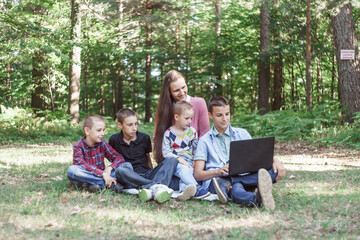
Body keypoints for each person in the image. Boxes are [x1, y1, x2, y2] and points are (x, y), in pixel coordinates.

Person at [194, 97, 286, 209]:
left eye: (227, 114)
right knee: (235, 189)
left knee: (272, 171)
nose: (224, 119)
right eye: (219, 115)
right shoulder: (204, 140)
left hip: (240, 177)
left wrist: (275, 160)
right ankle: (257, 197)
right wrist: (217, 171)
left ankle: (231, 183)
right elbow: (197, 175)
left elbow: (258, 156)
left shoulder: (242, 133)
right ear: (210, 115)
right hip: (217, 180)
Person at [109, 108, 177, 204]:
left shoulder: (144, 138)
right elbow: (112, 160)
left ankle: (150, 187)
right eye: (130, 125)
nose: (134, 128)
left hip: (147, 174)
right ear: (120, 125)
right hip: (130, 177)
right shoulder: (114, 140)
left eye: (136, 124)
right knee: (121, 170)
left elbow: (147, 158)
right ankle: (156, 187)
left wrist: (152, 171)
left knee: (172, 160)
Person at [153, 70, 210, 164]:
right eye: (176, 90)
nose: (182, 92)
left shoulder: (199, 103)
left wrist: (198, 161)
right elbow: (158, 138)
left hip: (196, 160)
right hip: (172, 162)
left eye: (183, 87)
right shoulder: (164, 110)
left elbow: (204, 136)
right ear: (169, 92)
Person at [162, 101, 210, 201]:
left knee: (187, 171)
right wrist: (179, 159)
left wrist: (196, 160)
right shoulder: (169, 133)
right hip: (175, 162)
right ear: (176, 117)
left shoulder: (192, 132)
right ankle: (197, 189)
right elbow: (166, 152)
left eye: (191, 118)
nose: (190, 121)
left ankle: (184, 191)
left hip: (189, 161)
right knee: (183, 170)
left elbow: (196, 149)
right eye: (186, 118)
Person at [67, 115, 128, 193]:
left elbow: (118, 157)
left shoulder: (102, 143)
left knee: (127, 165)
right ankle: (108, 183)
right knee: (72, 170)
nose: (102, 133)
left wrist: (109, 168)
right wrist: (102, 174)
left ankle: (95, 185)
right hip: (89, 176)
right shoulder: (78, 147)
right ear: (87, 131)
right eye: (99, 130)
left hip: (103, 175)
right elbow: (80, 164)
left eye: (103, 130)